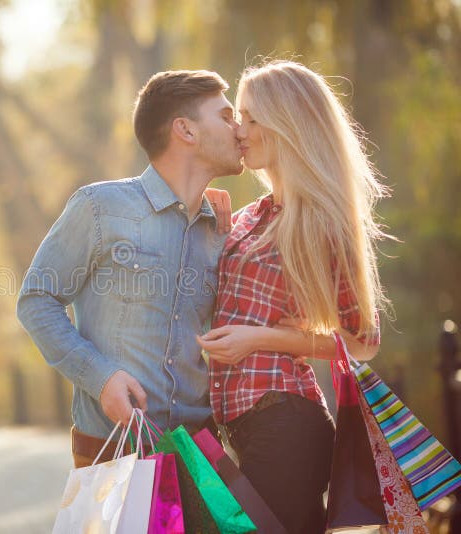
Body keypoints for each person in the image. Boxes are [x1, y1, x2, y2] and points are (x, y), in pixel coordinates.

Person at [17, 69, 245, 469]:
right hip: (113, 451)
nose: (239, 129)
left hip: (201, 454)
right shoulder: (100, 207)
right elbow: (36, 300)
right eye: (226, 117)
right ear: (186, 131)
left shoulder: (222, 230)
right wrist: (101, 377)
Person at [197, 60, 387, 534]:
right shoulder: (248, 217)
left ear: (289, 125)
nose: (240, 130)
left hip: (286, 423)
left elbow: (362, 341)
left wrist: (259, 340)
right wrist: (205, 216)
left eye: (252, 117)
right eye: (238, 116)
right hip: (242, 426)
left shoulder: (323, 220)